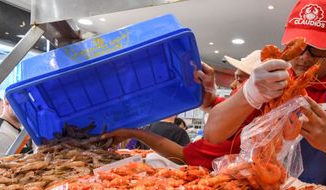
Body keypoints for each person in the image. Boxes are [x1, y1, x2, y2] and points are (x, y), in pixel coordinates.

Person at [200, 0, 326, 190]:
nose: (304, 57)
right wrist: (249, 93)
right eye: (297, 45)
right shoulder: (268, 81)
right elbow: (213, 134)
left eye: (317, 47)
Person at [101, 50, 260, 168]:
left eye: (239, 80)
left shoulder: (245, 128)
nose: (232, 85)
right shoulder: (252, 114)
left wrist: (132, 132)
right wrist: (208, 89)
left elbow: (186, 155)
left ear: (258, 89)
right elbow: (211, 105)